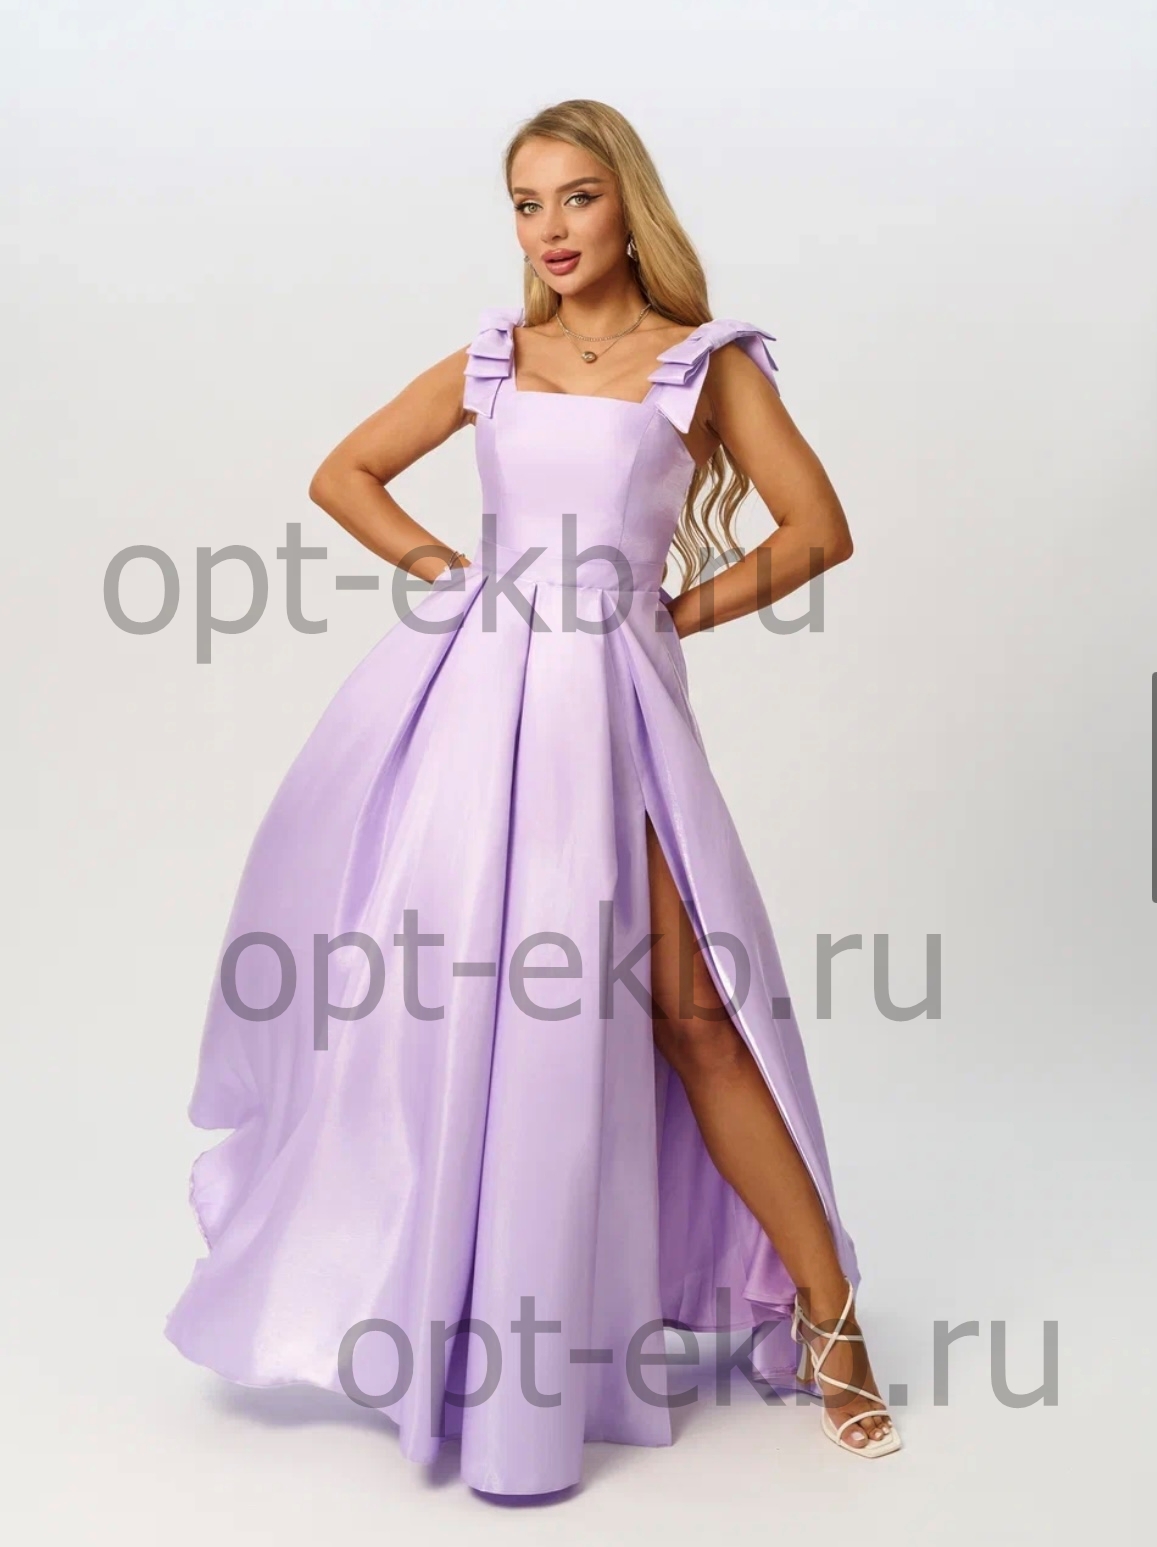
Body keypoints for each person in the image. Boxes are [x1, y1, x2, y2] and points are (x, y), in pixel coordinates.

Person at [164, 97, 901, 1497]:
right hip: (481, 713)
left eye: (574, 197)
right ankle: (468, 1343)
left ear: (628, 205)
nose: (549, 229)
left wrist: (667, 612)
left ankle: (832, 1322)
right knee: (479, 1015)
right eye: (524, 203)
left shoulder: (702, 363)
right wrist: (459, 576)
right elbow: (342, 473)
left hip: (613, 715)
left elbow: (818, 529)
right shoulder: (496, 357)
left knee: (696, 1016)